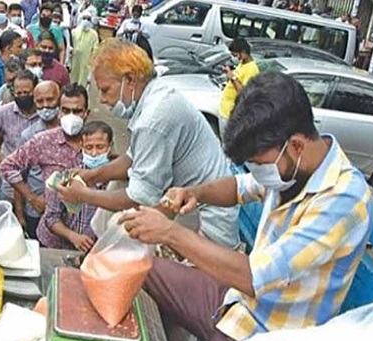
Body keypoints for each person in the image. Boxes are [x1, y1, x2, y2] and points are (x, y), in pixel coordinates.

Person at [124, 72, 373, 341]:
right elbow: (239, 188)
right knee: (143, 266)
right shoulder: (291, 167)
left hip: (267, 338)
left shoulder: (343, 201)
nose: (257, 172)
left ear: (297, 145)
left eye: (258, 164)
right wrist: (196, 194)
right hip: (234, 301)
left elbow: (255, 276)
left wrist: (170, 232)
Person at [58, 39, 240, 249]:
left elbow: (139, 196)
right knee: (116, 189)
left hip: (206, 220)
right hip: (185, 201)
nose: (102, 99)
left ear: (130, 80)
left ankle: (103, 259)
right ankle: (98, 251)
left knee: (125, 228)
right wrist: (91, 176)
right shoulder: (154, 95)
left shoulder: (154, 118)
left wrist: (84, 195)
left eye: (106, 90)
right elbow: (132, 159)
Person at [0, 83, 91, 241]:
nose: (71, 116)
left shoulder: (96, 142)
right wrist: (32, 198)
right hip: (52, 237)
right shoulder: (43, 141)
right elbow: (8, 167)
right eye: (66, 110)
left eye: (77, 111)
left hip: (88, 236)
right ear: (59, 111)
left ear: (86, 113)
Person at [0, 80, 62, 237]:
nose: (46, 106)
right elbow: (17, 174)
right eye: (40, 102)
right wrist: (27, 207)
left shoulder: (70, 130)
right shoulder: (29, 136)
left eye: (50, 100)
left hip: (65, 213)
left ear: (59, 99)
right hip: (36, 211)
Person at [39, 121, 113, 251]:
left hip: (102, 251)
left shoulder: (115, 182)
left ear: (110, 147)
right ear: (81, 146)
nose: (94, 153)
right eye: (89, 148)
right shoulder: (67, 177)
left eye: (100, 147)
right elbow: (51, 217)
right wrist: (73, 236)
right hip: (65, 247)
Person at [0, 70, 41, 205]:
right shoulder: (5, 112)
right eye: (19, 93)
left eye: (27, 93)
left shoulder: (44, 113)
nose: (23, 96)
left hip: (36, 182)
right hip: (10, 182)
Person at [219, 38, 259, 136]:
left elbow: (244, 93)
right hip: (225, 110)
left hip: (231, 113)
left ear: (244, 52)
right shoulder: (242, 64)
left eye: (236, 55)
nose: (236, 58)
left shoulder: (251, 69)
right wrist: (229, 74)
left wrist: (232, 77)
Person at [70, 12, 99, 86]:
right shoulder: (74, 32)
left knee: (83, 80)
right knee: (73, 77)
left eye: (88, 19)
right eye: (84, 18)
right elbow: (70, 46)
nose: (85, 21)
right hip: (74, 60)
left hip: (86, 61)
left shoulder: (94, 34)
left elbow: (95, 50)